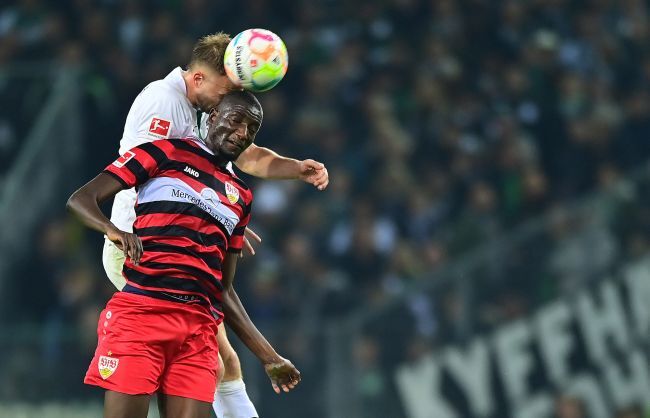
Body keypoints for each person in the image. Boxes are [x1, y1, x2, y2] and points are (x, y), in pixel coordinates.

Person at [102, 32, 327, 418]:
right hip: (140, 248)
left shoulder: (198, 105)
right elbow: (143, 172)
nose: (228, 99)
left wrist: (295, 169)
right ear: (200, 78)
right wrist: (206, 208)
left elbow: (247, 156)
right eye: (227, 90)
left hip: (177, 245)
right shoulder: (163, 101)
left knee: (225, 365)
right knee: (216, 363)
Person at [67, 90, 300, 418]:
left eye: (252, 128)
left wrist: (270, 357)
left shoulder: (241, 197)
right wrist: (112, 229)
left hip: (197, 330)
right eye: (236, 120)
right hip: (142, 314)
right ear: (213, 116)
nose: (242, 132)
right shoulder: (165, 152)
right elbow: (81, 199)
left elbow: (223, 290)